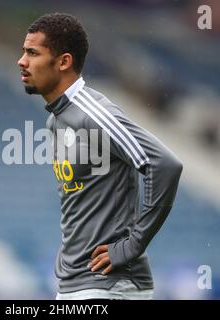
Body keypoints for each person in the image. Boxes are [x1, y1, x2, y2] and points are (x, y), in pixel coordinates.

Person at [17, 13, 183, 300]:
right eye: (24, 52)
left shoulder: (90, 112)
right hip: (76, 285)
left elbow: (164, 164)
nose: (22, 61)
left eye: (32, 52)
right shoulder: (57, 119)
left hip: (109, 286)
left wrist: (132, 245)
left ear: (64, 62)